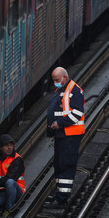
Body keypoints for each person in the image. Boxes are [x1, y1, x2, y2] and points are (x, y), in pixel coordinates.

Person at [44, 67, 85, 208]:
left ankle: (62, 200)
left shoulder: (74, 91)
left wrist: (59, 123)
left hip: (70, 136)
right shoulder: (62, 89)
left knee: (66, 165)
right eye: (54, 80)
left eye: (57, 80)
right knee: (59, 164)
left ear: (65, 77)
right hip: (63, 135)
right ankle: (59, 194)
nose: (55, 83)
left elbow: (77, 113)